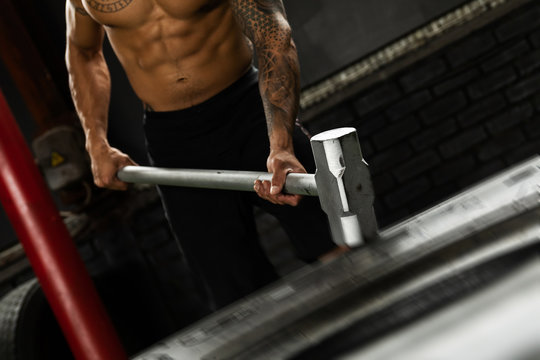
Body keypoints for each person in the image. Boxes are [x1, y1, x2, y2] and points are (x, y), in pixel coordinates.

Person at [65, 0, 342, 311]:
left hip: (251, 114)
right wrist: (96, 143)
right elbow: (83, 51)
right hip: (175, 141)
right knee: (234, 293)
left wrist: (280, 144)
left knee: (337, 241)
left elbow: (272, 34)